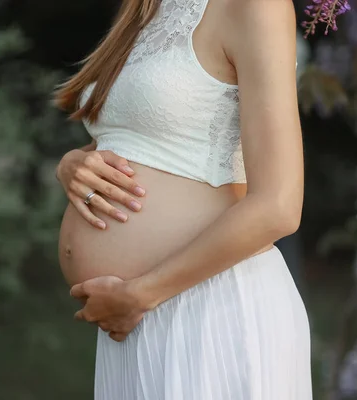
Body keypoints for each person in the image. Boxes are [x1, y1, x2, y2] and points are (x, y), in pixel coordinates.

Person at [53, 0, 312, 398]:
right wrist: (74, 164)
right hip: (132, 318)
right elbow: (144, 136)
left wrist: (142, 294)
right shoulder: (146, 7)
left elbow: (279, 205)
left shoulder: (256, 6)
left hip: (208, 308)